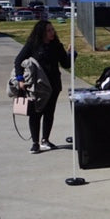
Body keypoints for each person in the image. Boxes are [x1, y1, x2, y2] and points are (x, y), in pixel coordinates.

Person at [13, 18, 73, 153]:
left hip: (53, 86)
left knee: (49, 113)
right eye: (48, 30)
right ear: (41, 33)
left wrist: (71, 54)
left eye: (52, 30)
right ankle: (35, 143)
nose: (52, 32)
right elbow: (18, 61)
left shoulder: (57, 45)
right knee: (35, 113)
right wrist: (20, 79)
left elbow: (66, 64)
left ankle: (45, 140)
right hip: (37, 86)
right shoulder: (32, 45)